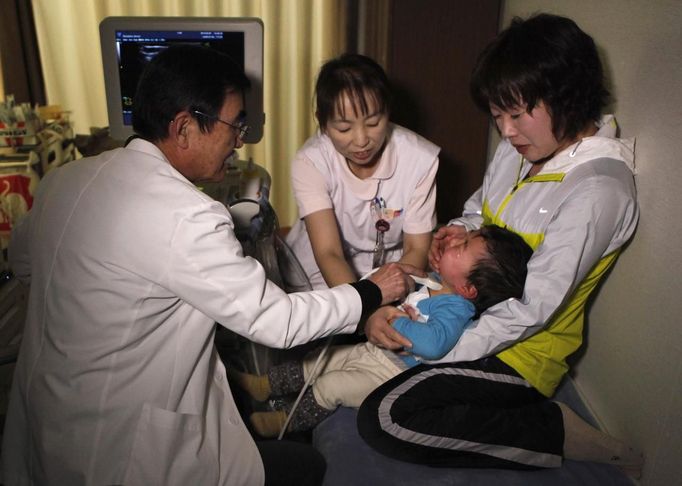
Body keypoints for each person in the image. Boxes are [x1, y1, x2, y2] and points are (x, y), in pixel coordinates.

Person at [3, 45, 420, 486]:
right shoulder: (188, 215)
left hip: (43, 428)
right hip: (124, 457)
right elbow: (276, 321)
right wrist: (371, 291)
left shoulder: (64, 180)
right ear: (184, 128)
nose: (240, 140)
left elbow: (24, 262)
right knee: (308, 469)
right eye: (234, 124)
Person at [359, 13, 644, 475]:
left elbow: (535, 308)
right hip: (460, 309)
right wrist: (454, 232)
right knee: (360, 304)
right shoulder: (522, 150)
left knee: (386, 417)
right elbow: (480, 210)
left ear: (566, 95)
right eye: (497, 116)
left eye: (516, 114)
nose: (506, 132)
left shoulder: (597, 189)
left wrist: (438, 348)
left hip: (519, 352)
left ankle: (552, 429)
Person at [230, 225, 532, 438]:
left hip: (390, 373)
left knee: (333, 386)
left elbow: (433, 345)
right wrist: (412, 280)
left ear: (468, 288)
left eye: (463, 246)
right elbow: (416, 293)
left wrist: (395, 319)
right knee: (321, 358)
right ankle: (264, 385)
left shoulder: (456, 309)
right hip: (374, 350)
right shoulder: (439, 282)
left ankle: (286, 421)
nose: (454, 242)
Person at [285, 53, 440, 290]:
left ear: (387, 111)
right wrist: (365, 307)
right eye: (344, 128)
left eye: (373, 123)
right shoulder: (311, 162)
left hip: (393, 265)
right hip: (319, 268)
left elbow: (416, 249)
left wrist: (391, 293)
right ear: (322, 122)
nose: (361, 141)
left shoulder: (420, 160)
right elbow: (329, 253)